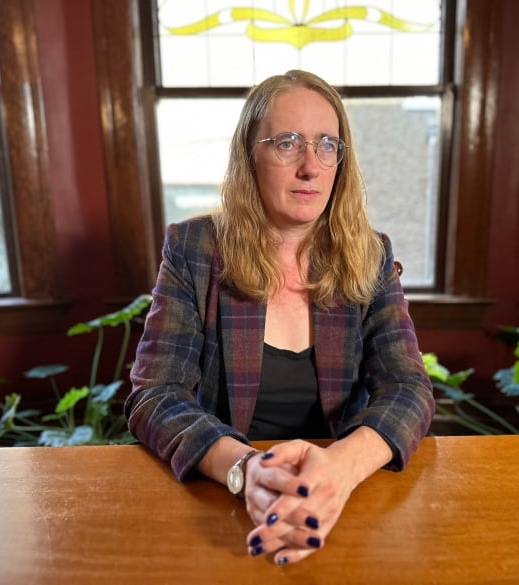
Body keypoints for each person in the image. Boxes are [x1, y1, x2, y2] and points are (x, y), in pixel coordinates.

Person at [126, 69, 434, 566]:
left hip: (344, 502)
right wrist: (246, 469)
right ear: (251, 155)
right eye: (287, 143)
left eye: (327, 144)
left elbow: (408, 387)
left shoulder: (370, 254)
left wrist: (339, 468)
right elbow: (156, 395)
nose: (311, 166)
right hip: (223, 501)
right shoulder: (195, 249)